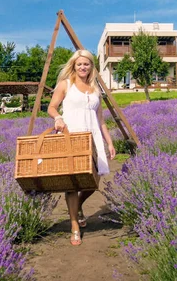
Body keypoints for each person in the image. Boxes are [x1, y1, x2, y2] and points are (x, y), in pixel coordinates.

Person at [47, 49, 116, 246]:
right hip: (71, 135)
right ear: (74, 66)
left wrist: (109, 142)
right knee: (71, 183)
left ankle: (78, 206)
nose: (83, 67)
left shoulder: (95, 90)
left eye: (86, 64)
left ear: (91, 66)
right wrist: (58, 118)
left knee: (93, 181)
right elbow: (51, 107)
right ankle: (74, 226)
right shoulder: (65, 84)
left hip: (91, 137)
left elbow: (101, 120)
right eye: (79, 64)